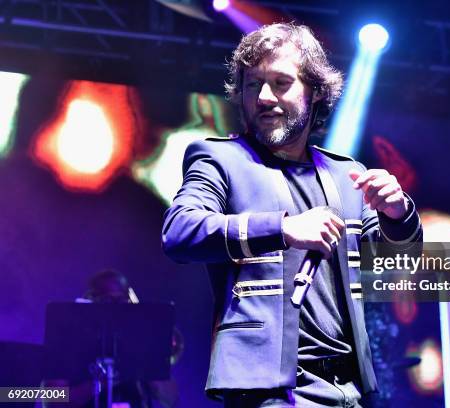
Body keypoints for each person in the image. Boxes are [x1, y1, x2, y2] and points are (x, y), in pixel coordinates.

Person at [162, 22, 422, 407]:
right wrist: (283, 228)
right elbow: (180, 232)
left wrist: (398, 214)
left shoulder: (345, 173)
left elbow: (398, 268)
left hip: (348, 392)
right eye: (253, 84)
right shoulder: (222, 159)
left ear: (315, 92)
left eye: (281, 83)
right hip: (269, 392)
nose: (265, 97)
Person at [44, 269, 180, 408]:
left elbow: (171, 399)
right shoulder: (69, 343)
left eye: (122, 301)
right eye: (107, 300)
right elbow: (51, 401)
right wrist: (98, 385)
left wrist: (141, 364)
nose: (116, 308)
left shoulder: (139, 343)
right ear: (91, 301)